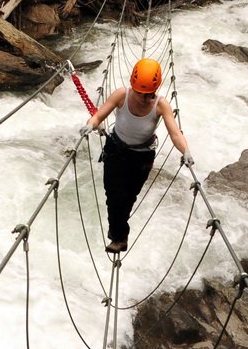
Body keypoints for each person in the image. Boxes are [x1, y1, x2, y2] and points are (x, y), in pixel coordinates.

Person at [79, 58, 193, 254]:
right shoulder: (122, 95)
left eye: (148, 93)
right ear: (133, 85)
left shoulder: (161, 105)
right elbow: (99, 115)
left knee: (128, 198)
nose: (142, 97)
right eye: (139, 92)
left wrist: (186, 151)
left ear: (155, 90)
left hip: (141, 158)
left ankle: (118, 232)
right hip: (116, 150)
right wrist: (90, 125)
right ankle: (119, 237)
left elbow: (175, 132)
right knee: (113, 196)